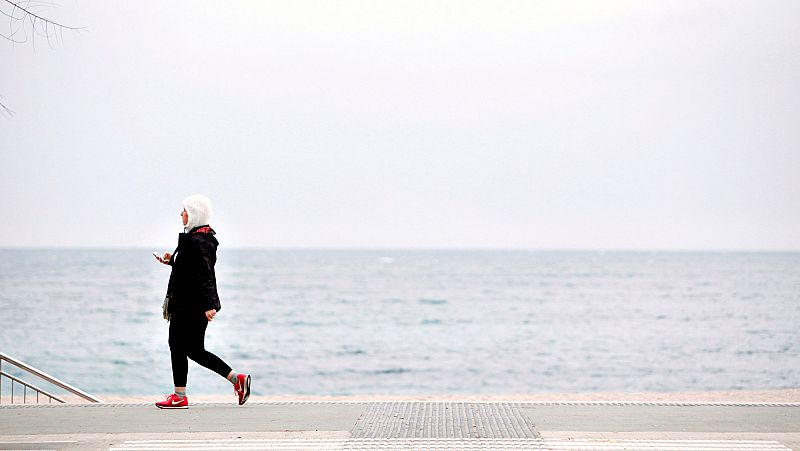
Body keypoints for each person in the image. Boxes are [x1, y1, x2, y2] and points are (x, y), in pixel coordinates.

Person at [153, 194, 251, 409]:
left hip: (191, 305)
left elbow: (205, 273)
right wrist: (173, 262)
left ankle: (180, 396)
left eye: (185, 210)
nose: (181, 214)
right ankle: (236, 380)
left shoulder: (198, 241)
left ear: (195, 213)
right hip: (189, 302)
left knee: (184, 347)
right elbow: (192, 270)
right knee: (190, 348)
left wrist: (209, 305)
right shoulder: (198, 238)